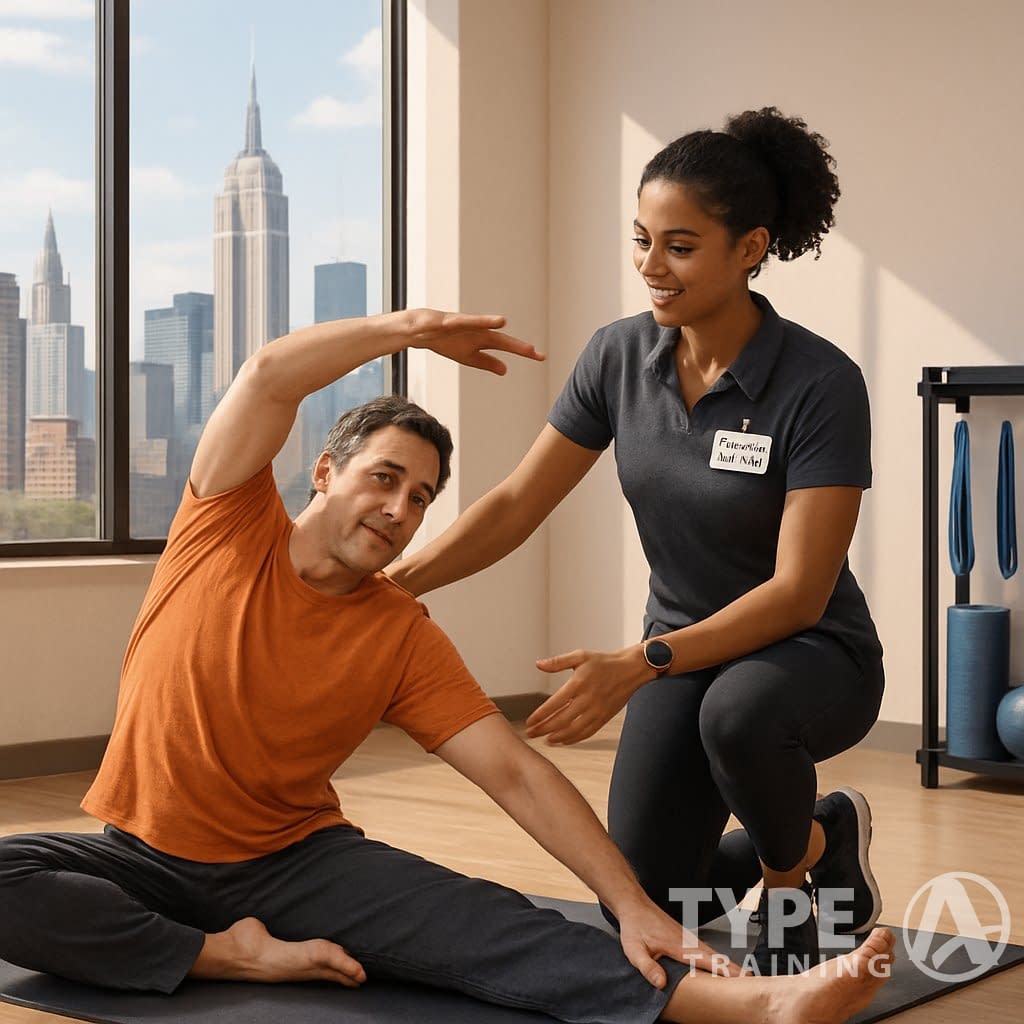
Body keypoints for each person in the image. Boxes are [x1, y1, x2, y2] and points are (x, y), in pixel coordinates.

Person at [0, 308, 893, 1022]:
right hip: (139, 853)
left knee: (495, 927)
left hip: (292, 862)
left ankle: (759, 1002)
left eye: (420, 497)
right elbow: (269, 374)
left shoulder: (400, 633)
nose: (398, 508)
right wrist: (416, 329)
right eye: (383, 478)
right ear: (322, 470)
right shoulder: (225, 526)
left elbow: (512, 772)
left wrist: (627, 905)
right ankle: (222, 951)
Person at [388, 108, 886, 976]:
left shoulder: (820, 383)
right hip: (678, 656)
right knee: (652, 899)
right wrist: (397, 583)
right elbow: (515, 503)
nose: (651, 268)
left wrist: (640, 661)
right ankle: (822, 834)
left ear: (750, 248)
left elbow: (800, 591)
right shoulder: (620, 357)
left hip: (808, 653)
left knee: (741, 715)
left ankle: (789, 881)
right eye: (641, 240)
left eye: (681, 246)